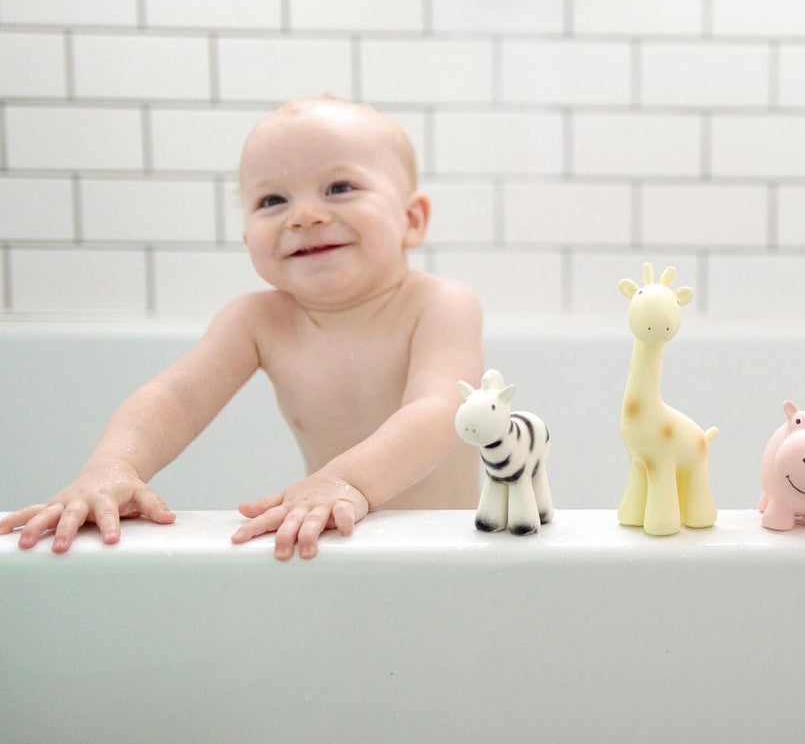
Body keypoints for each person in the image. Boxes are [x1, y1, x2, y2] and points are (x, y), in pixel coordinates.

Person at [0, 96, 483, 560]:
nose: (305, 215)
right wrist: (113, 467)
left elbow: (438, 409)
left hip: (446, 545)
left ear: (411, 219)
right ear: (246, 235)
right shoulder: (258, 321)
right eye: (273, 199)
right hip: (339, 536)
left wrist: (350, 482)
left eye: (339, 188)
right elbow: (176, 399)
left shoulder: (438, 304)